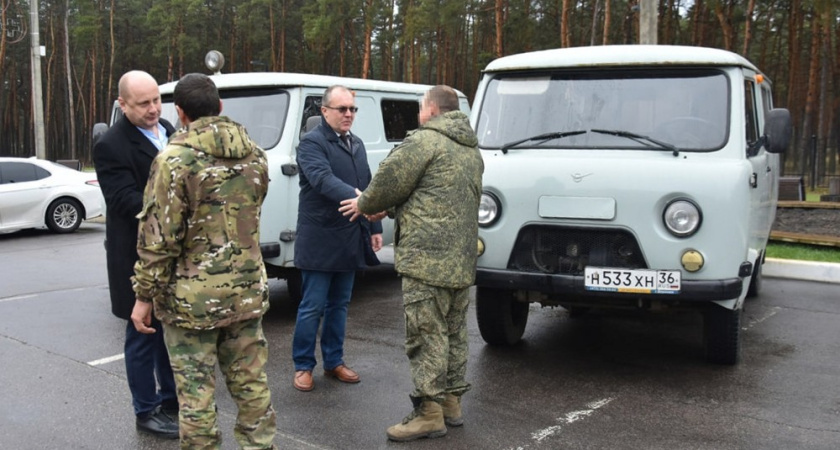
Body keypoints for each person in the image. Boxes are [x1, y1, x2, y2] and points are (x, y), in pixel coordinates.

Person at [130, 73, 277, 449]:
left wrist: (144, 297)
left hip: (190, 303)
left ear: (179, 113)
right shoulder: (256, 155)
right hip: (245, 293)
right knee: (252, 390)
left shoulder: (174, 162)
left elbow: (159, 240)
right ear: (221, 107)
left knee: (195, 399)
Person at [339, 85, 483, 442]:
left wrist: (366, 203)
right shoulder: (471, 149)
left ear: (431, 110)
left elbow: (387, 182)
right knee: (453, 333)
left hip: (426, 260)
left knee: (425, 335)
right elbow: (436, 196)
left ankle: (428, 413)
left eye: (421, 107)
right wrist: (396, 206)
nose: (420, 113)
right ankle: (451, 403)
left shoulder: (424, 142)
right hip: (460, 260)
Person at [93, 70, 179, 439]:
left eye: (157, 100)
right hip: (137, 256)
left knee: (168, 331)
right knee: (143, 333)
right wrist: (179, 206)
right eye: (143, 103)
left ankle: (173, 400)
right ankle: (146, 410)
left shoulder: (170, 132)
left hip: (172, 254)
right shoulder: (111, 144)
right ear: (122, 105)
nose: (153, 109)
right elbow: (123, 200)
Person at [291, 85, 383, 392]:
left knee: (339, 305)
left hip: (349, 238)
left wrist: (375, 227)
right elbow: (322, 180)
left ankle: (334, 362)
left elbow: (367, 181)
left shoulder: (356, 143)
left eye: (352, 109)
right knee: (312, 306)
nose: (348, 114)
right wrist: (361, 199)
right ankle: (303, 366)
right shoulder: (310, 144)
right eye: (342, 109)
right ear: (325, 111)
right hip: (319, 239)